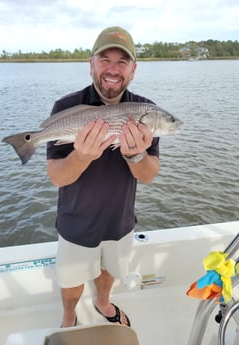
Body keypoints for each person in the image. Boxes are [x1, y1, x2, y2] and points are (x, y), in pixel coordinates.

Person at [47, 26, 160, 328]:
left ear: (133, 70)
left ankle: (103, 302)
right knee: (71, 282)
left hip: (119, 221)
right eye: (104, 59)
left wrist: (135, 154)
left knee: (109, 271)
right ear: (91, 64)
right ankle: (69, 316)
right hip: (76, 222)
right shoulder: (66, 108)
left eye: (122, 62)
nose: (113, 69)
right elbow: (56, 177)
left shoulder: (145, 111)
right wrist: (82, 155)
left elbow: (149, 175)